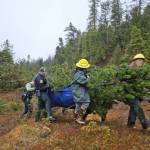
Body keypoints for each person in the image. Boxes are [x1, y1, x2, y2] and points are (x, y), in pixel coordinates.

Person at [126, 53, 149, 129]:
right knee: (137, 107)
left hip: (138, 93)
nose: (141, 62)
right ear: (134, 61)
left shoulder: (143, 71)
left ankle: (130, 125)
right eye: (139, 60)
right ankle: (145, 123)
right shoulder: (129, 69)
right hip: (129, 93)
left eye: (142, 60)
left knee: (133, 108)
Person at [71, 59, 91, 124]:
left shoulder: (78, 73)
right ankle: (79, 119)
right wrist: (88, 78)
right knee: (86, 103)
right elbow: (84, 82)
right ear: (83, 68)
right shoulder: (79, 75)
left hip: (77, 92)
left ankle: (75, 119)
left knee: (78, 105)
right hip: (80, 93)